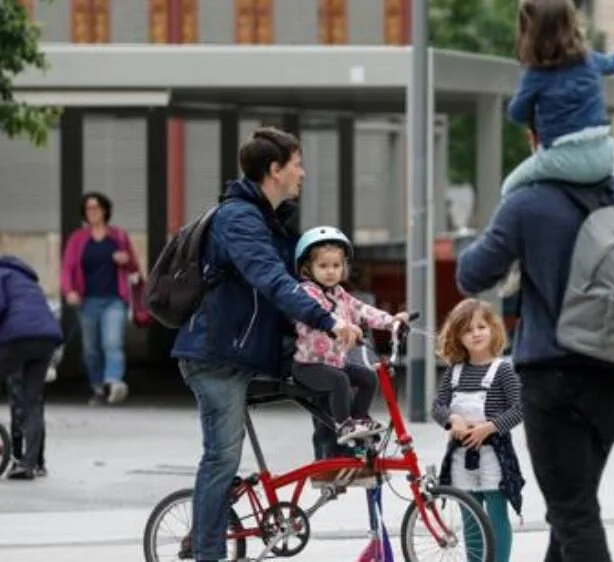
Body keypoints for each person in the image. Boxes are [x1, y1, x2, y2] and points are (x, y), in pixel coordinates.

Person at [455, 123, 614, 562]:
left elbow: (472, 275)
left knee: (573, 515)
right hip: (611, 379)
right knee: (570, 509)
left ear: (538, 141)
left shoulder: (528, 203)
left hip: (552, 382)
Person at [171, 127, 357, 562]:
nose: (303, 173)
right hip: (215, 356)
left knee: (329, 382)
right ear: (274, 170)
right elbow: (272, 282)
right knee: (221, 456)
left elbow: (299, 284)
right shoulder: (239, 218)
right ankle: (207, 550)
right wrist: (327, 320)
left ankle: (332, 456)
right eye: (297, 164)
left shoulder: (270, 220)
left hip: (248, 352)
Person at [501, 0, 614, 197]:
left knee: (510, 187)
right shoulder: (589, 60)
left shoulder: (535, 74)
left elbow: (517, 113)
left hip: (563, 160)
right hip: (604, 155)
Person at [291, 225, 406, 459]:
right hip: (309, 365)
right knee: (340, 380)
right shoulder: (307, 292)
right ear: (307, 268)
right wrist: (342, 326)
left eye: (336, 265)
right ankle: (344, 425)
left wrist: (391, 321)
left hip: (335, 362)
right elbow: (320, 313)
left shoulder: (339, 293)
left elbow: (362, 310)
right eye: (323, 266)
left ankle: (359, 418)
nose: (330, 271)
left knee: (367, 376)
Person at [432, 298, 525, 562]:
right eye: (467, 330)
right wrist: (452, 420)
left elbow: (520, 407)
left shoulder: (503, 370)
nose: (475, 334)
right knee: (470, 517)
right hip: (461, 456)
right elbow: (438, 406)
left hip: (494, 456)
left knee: (496, 516)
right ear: (457, 336)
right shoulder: (453, 372)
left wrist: (490, 427)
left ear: (493, 329)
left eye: (481, 327)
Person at [59, 191, 143, 405]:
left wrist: (126, 261)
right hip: (87, 301)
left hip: (115, 299)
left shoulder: (119, 236)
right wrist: (69, 291)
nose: (92, 212)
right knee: (91, 351)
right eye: (88, 208)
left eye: (96, 207)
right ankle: (98, 387)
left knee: (112, 343)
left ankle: (113, 383)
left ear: (105, 210)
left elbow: (134, 268)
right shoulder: (78, 239)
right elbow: (67, 268)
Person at [0, 255, 64, 480]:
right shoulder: (29, 282)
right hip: (46, 340)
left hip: (17, 339)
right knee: (33, 402)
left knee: (18, 394)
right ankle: (32, 463)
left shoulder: (2, 275)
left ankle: (18, 456)